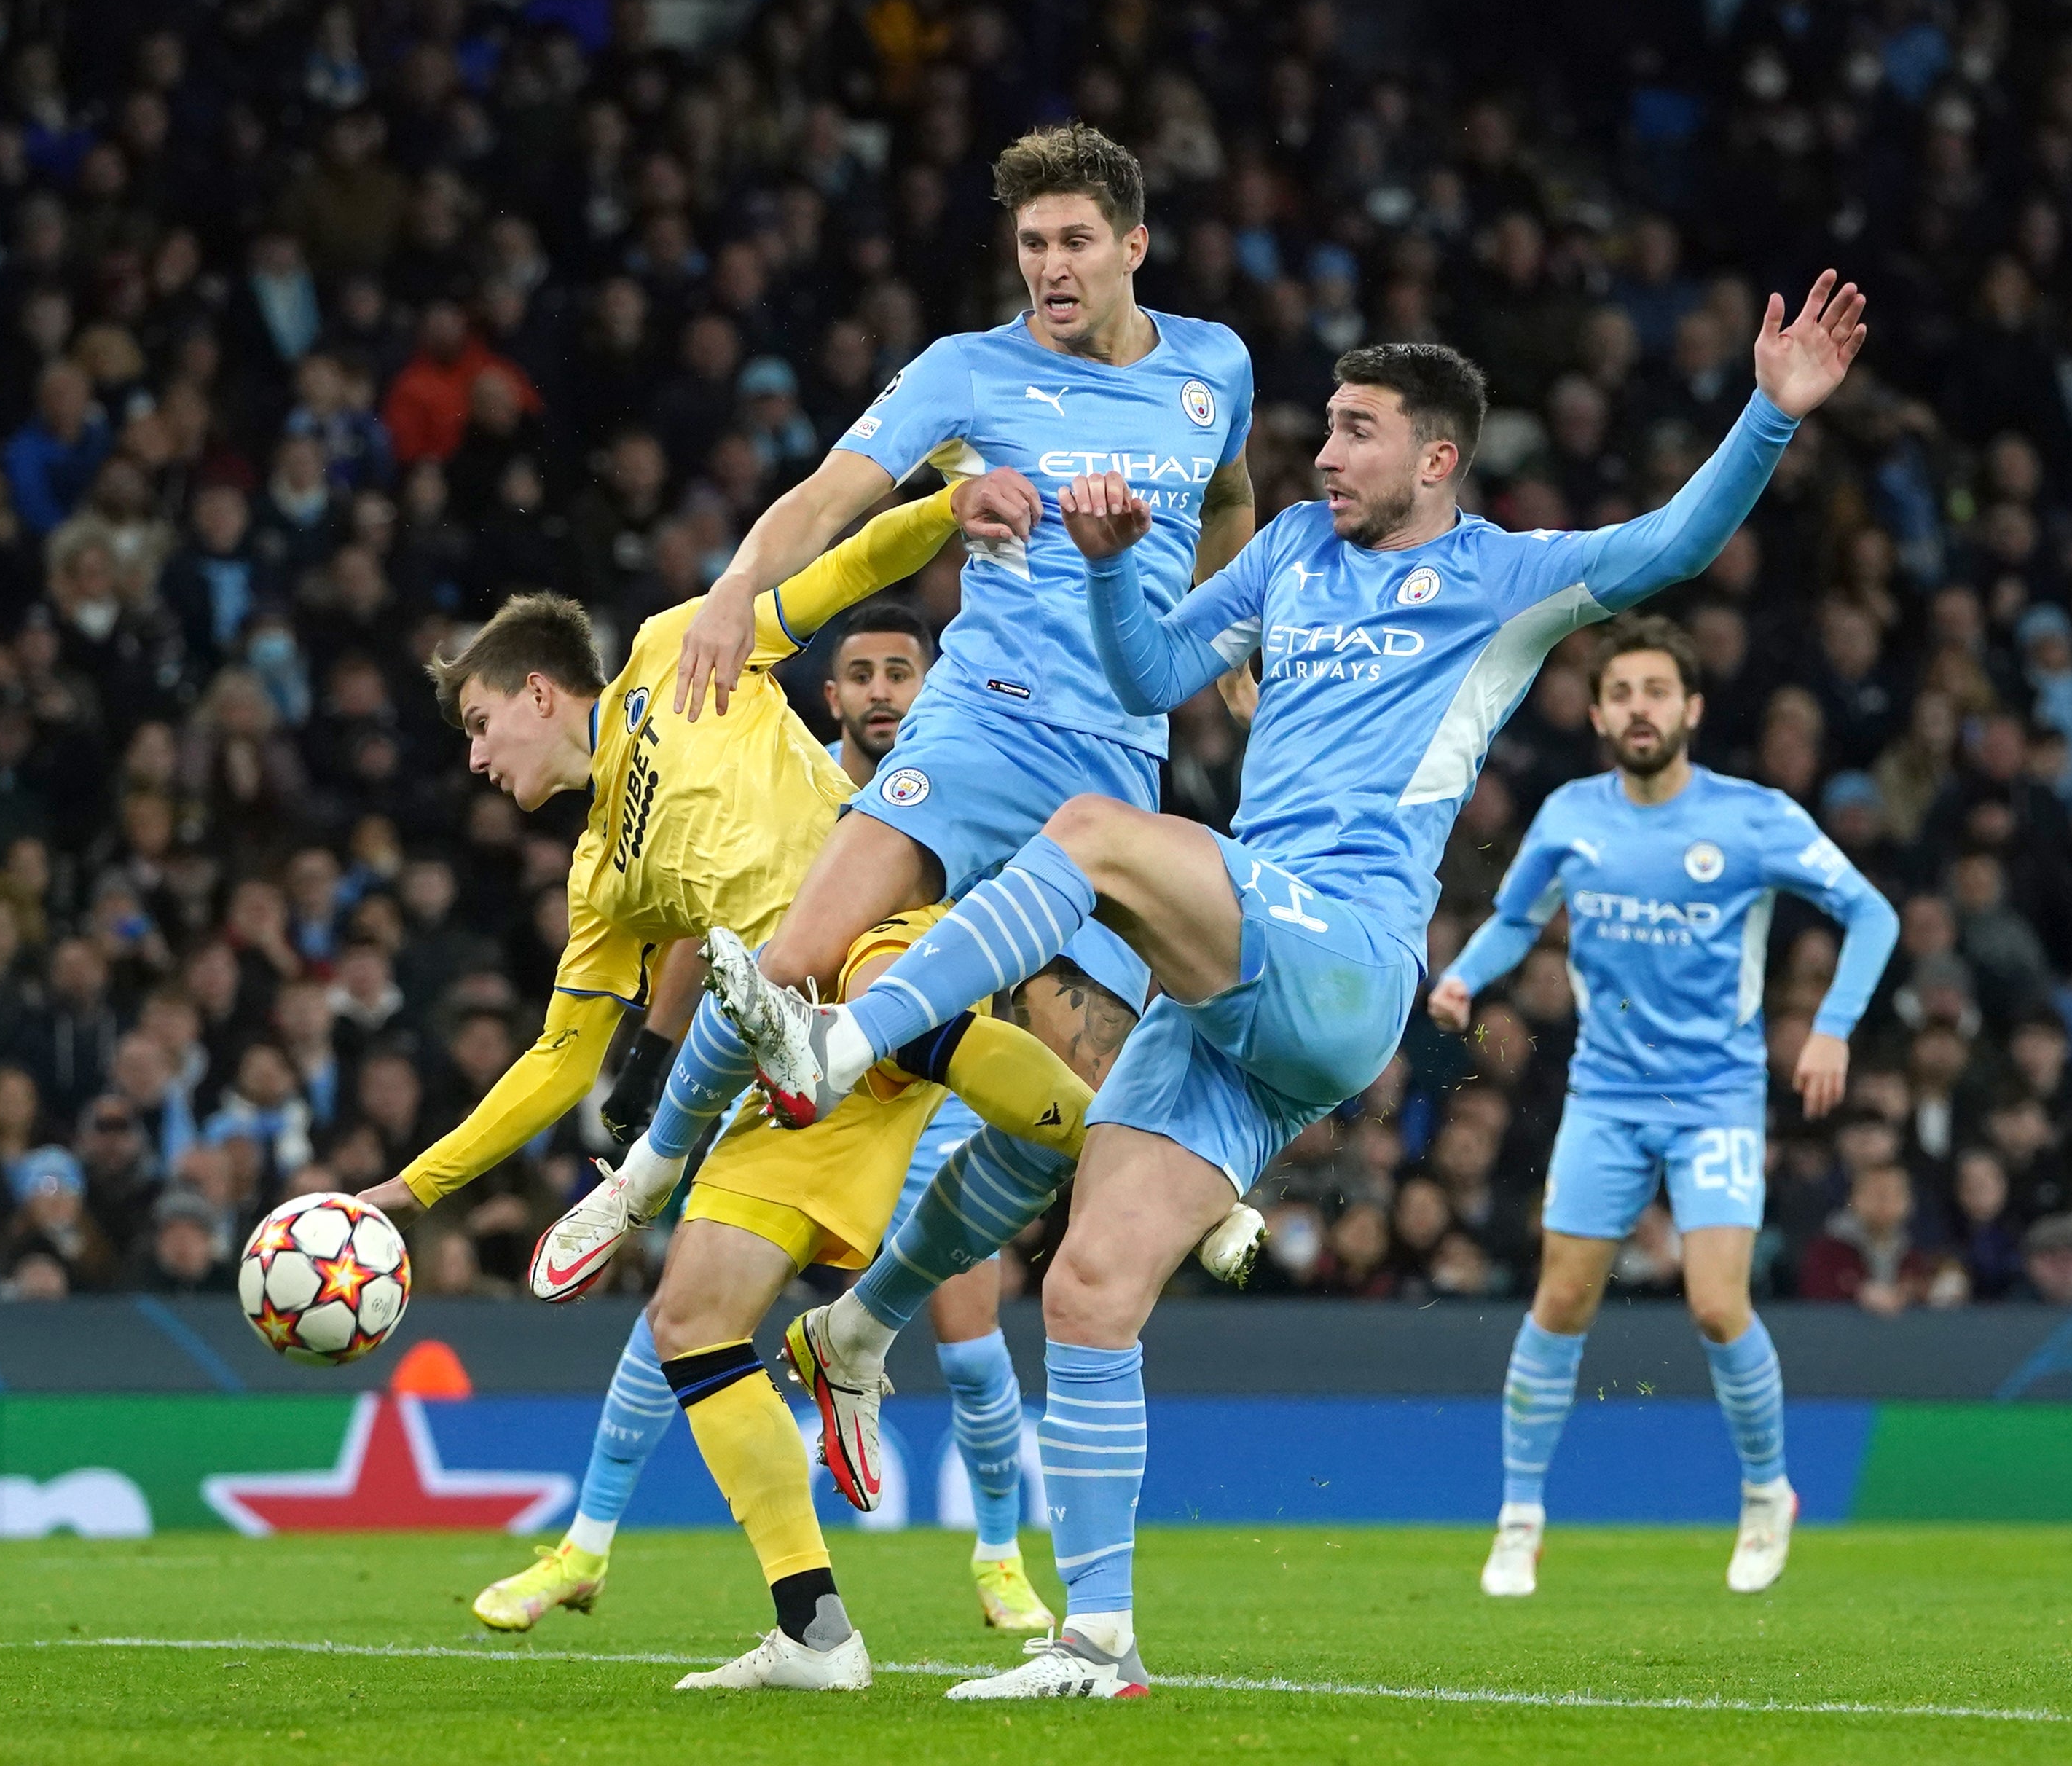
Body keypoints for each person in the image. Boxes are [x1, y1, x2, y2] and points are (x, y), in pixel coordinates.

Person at [709, 273, 1868, 1698]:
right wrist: (1094, 564)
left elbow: (1672, 545)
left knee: (1086, 834)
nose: (1320, 454)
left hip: (1340, 952)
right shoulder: (1293, 555)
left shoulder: (1503, 577)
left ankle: (838, 1045)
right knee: (1085, 1288)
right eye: (1324, 425)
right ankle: (1098, 1641)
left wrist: (1767, 412)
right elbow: (1155, 675)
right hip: (1239, 983)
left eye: (1358, 431)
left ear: (1436, 457)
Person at [355, 474, 1106, 1694]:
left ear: (541, 693)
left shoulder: (672, 652)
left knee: (897, 1020)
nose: (479, 758)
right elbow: (559, 1062)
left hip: (878, 935)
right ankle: (814, 1631)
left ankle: (1147, 1154)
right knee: (692, 1316)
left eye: (484, 726)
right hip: (782, 1050)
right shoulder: (601, 880)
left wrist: (948, 511)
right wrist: (413, 1187)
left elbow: (831, 578)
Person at [606, 123, 1258, 1251]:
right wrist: (736, 584)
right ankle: (640, 1175)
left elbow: (1235, 499)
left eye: (1075, 242)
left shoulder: (1216, 367)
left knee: (1085, 1093)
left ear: (1134, 246)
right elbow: (826, 497)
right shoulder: (967, 369)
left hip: (1114, 768)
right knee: (797, 962)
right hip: (981, 732)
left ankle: (867, 1327)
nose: (1051, 267)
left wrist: (1227, 636)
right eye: (1031, 244)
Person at [467, 599, 1056, 1641]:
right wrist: (650, 1054)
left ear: (929, 685)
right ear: (832, 697)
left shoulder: (968, 760)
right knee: (691, 1306)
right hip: (800, 1058)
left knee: (969, 1340)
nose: (882, 691)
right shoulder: (798, 777)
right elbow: (717, 915)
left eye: (899, 673)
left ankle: (1002, 1558)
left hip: (933, 1081)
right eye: (863, 674)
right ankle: (584, 1545)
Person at [1429, 613, 1897, 1598]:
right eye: (1619, 694)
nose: (1637, 709)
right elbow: (1514, 917)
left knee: (1717, 1304)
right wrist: (1466, 978)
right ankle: (1518, 1517)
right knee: (1559, 1302)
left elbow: (1870, 911)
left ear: (1689, 708)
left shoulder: (1751, 816)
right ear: (1598, 717)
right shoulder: (1568, 816)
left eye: (1654, 692)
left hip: (1717, 1099)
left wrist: (1831, 1027)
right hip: (1604, 1096)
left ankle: (1767, 1493)